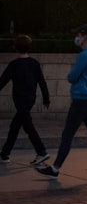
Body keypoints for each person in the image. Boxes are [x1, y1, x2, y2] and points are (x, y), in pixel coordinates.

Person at [35, 24, 87, 180]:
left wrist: (71, 74)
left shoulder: (85, 55)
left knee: (67, 135)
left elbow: (72, 77)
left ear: (84, 36)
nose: (77, 37)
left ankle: (55, 168)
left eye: (78, 34)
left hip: (81, 100)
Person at [1, 34, 50, 165]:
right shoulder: (34, 63)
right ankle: (5, 154)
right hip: (30, 99)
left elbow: (2, 82)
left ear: (15, 48)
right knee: (15, 126)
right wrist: (46, 98)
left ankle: (42, 152)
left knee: (28, 126)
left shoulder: (14, 65)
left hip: (20, 100)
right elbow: (42, 82)